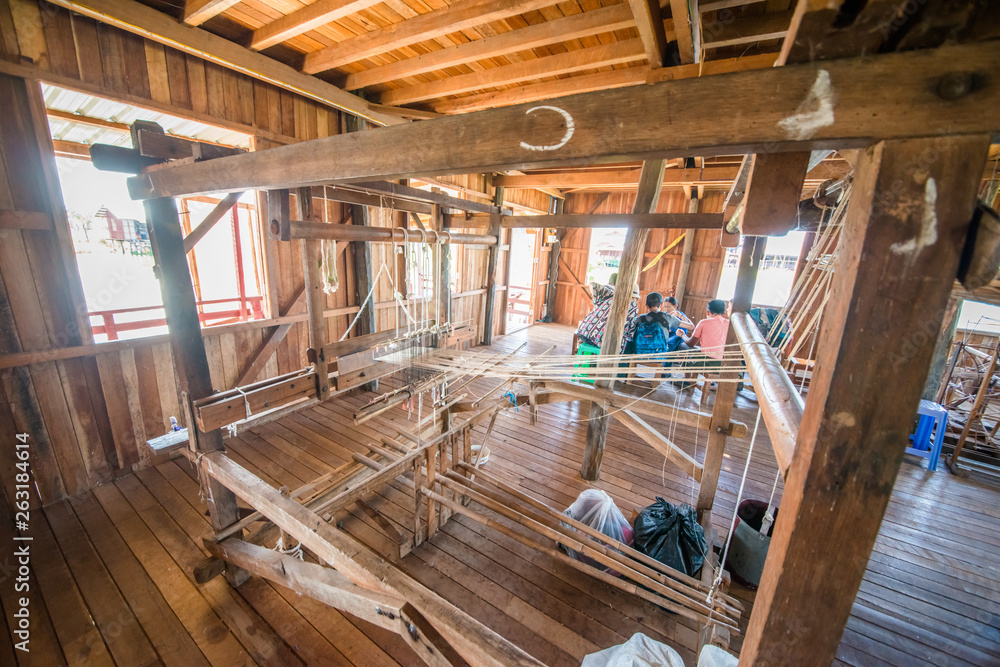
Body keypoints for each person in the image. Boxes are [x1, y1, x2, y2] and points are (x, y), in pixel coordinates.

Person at [575, 282, 641, 353]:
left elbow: (592, 284)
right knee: (625, 344)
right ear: (636, 298)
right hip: (598, 341)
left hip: (583, 332)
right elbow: (630, 332)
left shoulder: (611, 296)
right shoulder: (633, 307)